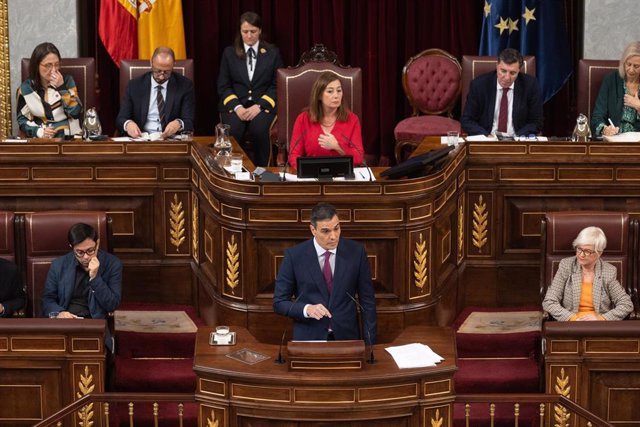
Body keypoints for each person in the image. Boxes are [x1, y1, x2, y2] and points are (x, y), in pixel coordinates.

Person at [273, 203, 377, 344]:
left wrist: (370, 345)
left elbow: (368, 302)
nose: (333, 236)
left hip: (346, 337)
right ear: (313, 230)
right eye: (325, 231)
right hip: (309, 338)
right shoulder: (294, 256)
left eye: (337, 228)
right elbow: (279, 303)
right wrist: (306, 309)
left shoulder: (356, 253)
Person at [41, 223, 122, 350]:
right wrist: (60, 313)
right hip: (66, 323)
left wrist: (95, 278)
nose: (86, 257)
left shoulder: (112, 264)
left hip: (94, 325)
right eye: (80, 252)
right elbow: (48, 299)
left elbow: (112, 304)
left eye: (90, 250)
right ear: (71, 247)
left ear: (98, 243)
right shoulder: (59, 266)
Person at [217, 11, 284, 166]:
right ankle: (231, 171)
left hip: (262, 106)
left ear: (260, 30)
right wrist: (237, 107)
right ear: (240, 32)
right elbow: (223, 86)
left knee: (260, 130)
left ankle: (263, 171)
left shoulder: (272, 53)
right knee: (233, 130)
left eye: (253, 32)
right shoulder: (229, 53)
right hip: (236, 105)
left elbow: (277, 85)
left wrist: (260, 106)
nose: (249, 36)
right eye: (245, 32)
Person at [542, 226, 633, 321]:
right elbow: (549, 301)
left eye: (587, 251)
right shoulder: (566, 266)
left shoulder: (608, 271)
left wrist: (601, 318)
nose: (581, 255)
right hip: (570, 323)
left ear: (599, 253)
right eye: (579, 249)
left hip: (597, 325)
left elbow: (626, 304)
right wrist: (573, 318)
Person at [461, 48, 543, 137]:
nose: (507, 77)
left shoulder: (530, 85)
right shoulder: (479, 85)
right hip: (488, 139)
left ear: (519, 70)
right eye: (503, 71)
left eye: (512, 73)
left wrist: (518, 137)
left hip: (517, 140)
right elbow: (467, 120)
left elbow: (536, 121)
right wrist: (485, 135)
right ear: (497, 66)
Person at [288, 71, 364, 168]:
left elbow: (359, 157)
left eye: (339, 90)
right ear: (319, 95)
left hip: (341, 175)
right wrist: (307, 171)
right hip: (312, 175)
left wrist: (337, 147)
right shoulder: (303, 119)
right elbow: (294, 155)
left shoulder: (352, 119)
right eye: (330, 91)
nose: (336, 95)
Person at [116, 46, 195, 139]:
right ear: (151, 63)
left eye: (167, 72)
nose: (161, 77)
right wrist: (128, 124)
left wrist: (179, 123)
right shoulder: (135, 85)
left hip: (170, 140)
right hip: (142, 139)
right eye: (158, 71)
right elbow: (121, 119)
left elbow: (190, 121)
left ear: (174, 65)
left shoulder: (185, 85)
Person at [16, 42, 83, 138]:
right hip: (42, 141)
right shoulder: (26, 88)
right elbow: (22, 120)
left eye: (57, 64)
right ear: (37, 66)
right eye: (48, 65)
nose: (53, 70)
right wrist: (39, 131)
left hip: (69, 137)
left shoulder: (67, 81)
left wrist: (61, 88)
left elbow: (76, 112)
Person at [591, 41, 640, 138]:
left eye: (636, 66)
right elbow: (597, 117)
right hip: (615, 139)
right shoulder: (610, 80)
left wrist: (638, 106)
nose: (630, 70)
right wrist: (605, 129)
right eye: (628, 64)